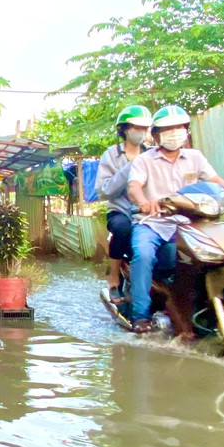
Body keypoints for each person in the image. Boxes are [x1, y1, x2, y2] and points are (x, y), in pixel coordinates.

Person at [125, 105, 224, 335]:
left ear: (186, 131)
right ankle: (141, 316)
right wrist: (144, 202)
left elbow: (214, 180)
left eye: (179, 127)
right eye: (168, 129)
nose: (175, 132)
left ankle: (215, 307)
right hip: (153, 223)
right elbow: (133, 187)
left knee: (216, 254)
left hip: (188, 223)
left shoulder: (195, 157)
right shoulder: (144, 160)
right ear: (155, 135)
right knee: (143, 255)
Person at [95, 104, 152, 302]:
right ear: (125, 129)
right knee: (122, 228)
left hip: (148, 212)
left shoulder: (153, 154)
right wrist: (130, 168)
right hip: (120, 212)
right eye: (137, 128)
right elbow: (104, 191)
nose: (141, 133)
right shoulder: (111, 155)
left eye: (145, 128)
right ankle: (113, 278)